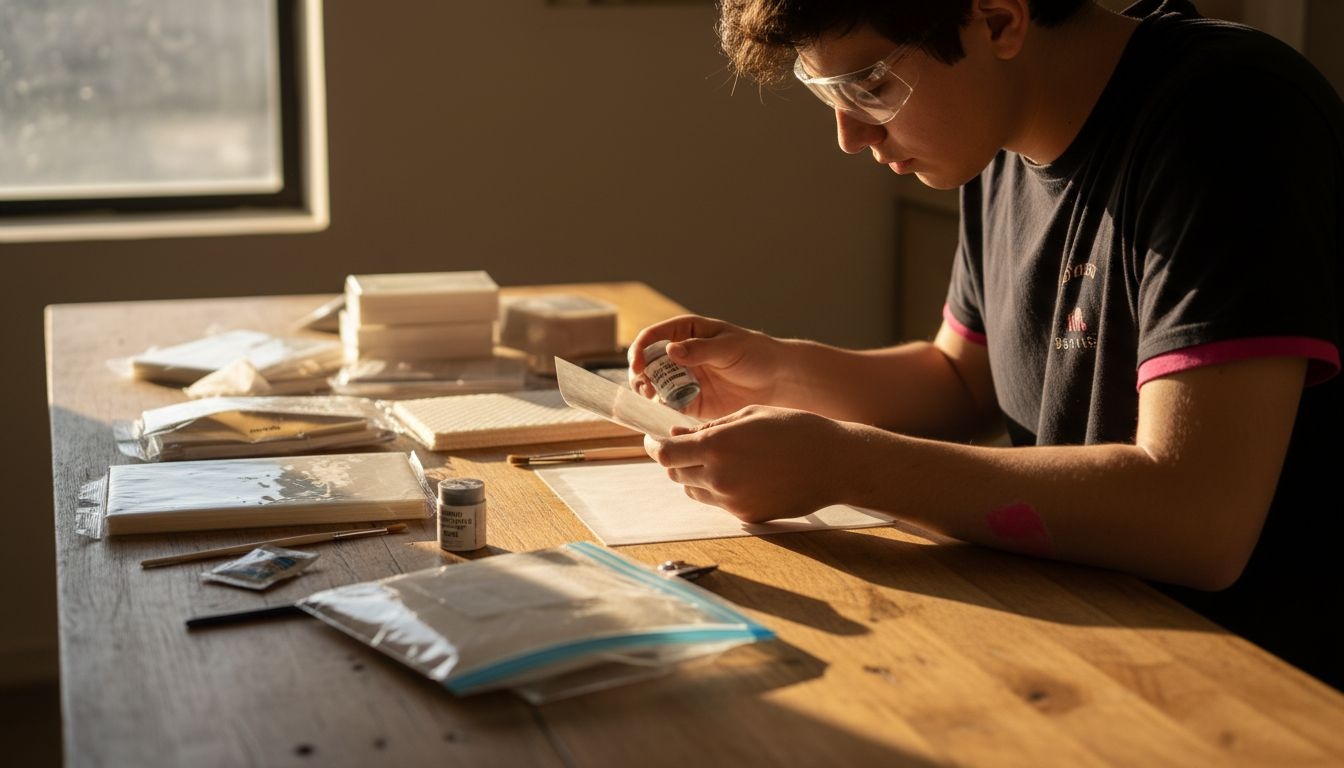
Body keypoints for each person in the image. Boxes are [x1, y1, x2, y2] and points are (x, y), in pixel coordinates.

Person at [628, 0, 1343, 689]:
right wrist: (776, 369)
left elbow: (1198, 519)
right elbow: (963, 382)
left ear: (998, 19)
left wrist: (843, 465)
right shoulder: (1001, 132)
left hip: (1256, 683)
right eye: (827, 93)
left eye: (871, 86)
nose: (849, 135)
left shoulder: (1231, 115)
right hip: (1082, 634)